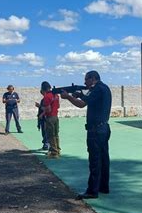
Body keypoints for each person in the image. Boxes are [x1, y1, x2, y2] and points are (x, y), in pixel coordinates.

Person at [60, 70, 112, 200]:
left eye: (86, 79)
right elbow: (89, 99)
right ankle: (103, 187)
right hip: (103, 128)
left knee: (94, 160)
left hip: (96, 130)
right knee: (104, 159)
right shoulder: (103, 88)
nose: (85, 82)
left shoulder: (97, 89)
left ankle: (92, 191)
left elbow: (81, 104)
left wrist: (69, 97)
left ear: (93, 78)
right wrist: (79, 94)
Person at [41, 81, 60, 158]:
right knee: (56, 134)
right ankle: (58, 150)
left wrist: (40, 107)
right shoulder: (56, 95)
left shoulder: (47, 97)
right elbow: (58, 106)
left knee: (50, 135)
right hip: (56, 116)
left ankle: (53, 153)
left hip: (50, 117)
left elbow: (48, 109)